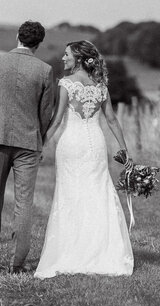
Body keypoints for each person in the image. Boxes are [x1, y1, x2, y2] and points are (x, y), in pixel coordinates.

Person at [34, 40, 134, 278]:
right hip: (96, 144)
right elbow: (111, 119)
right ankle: (102, 251)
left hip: (71, 143)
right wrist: (124, 150)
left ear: (78, 58)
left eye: (66, 54)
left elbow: (57, 121)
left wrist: (41, 146)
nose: (62, 58)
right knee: (98, 191)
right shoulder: (100, 85)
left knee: (71, 193)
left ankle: (73, 250)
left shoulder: (66, 84)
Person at [0, 21, 55, 274]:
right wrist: (39, 139)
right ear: (39, 43)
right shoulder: (45, 70)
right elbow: (46, 113)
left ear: (17, 36)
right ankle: (18, 262)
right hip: (28, 142)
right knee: (24, 203)